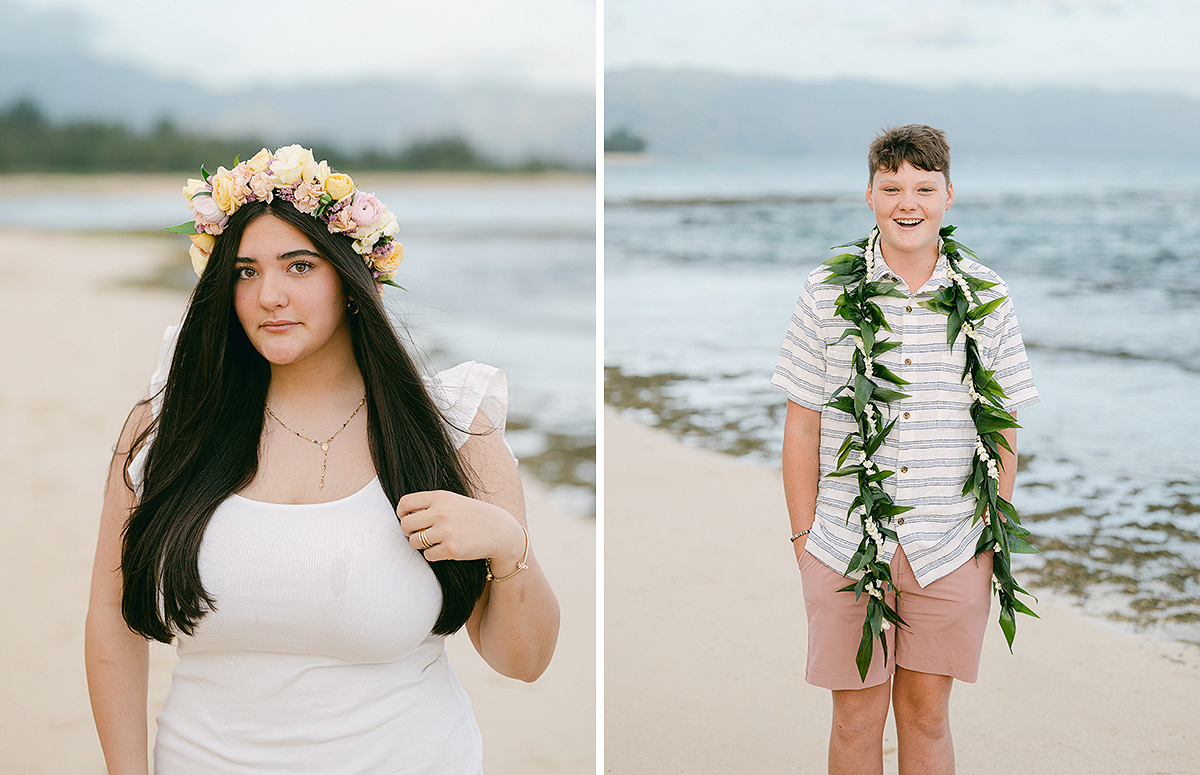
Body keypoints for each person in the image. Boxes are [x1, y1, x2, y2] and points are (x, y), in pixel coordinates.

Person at [84, 145, 560, 774]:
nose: (269, 295)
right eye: (246, 271)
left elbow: (522, 662)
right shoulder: (171, 427)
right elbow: (113, 626)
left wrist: (508, 545)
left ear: (352, 277)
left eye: (299, 266)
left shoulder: (448, 425)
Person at [771, 125, 1039, 775]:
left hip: (950, 543)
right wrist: (805, 538)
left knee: (925, 715)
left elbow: (1000, 423)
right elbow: (801, 424)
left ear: (949, 195)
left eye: (924, 187)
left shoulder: (985, 293)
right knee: (855, 718)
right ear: (869, 195)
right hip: (843, 541)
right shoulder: (826, 291)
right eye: (892, 187)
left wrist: (991, 522)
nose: (908, 201)